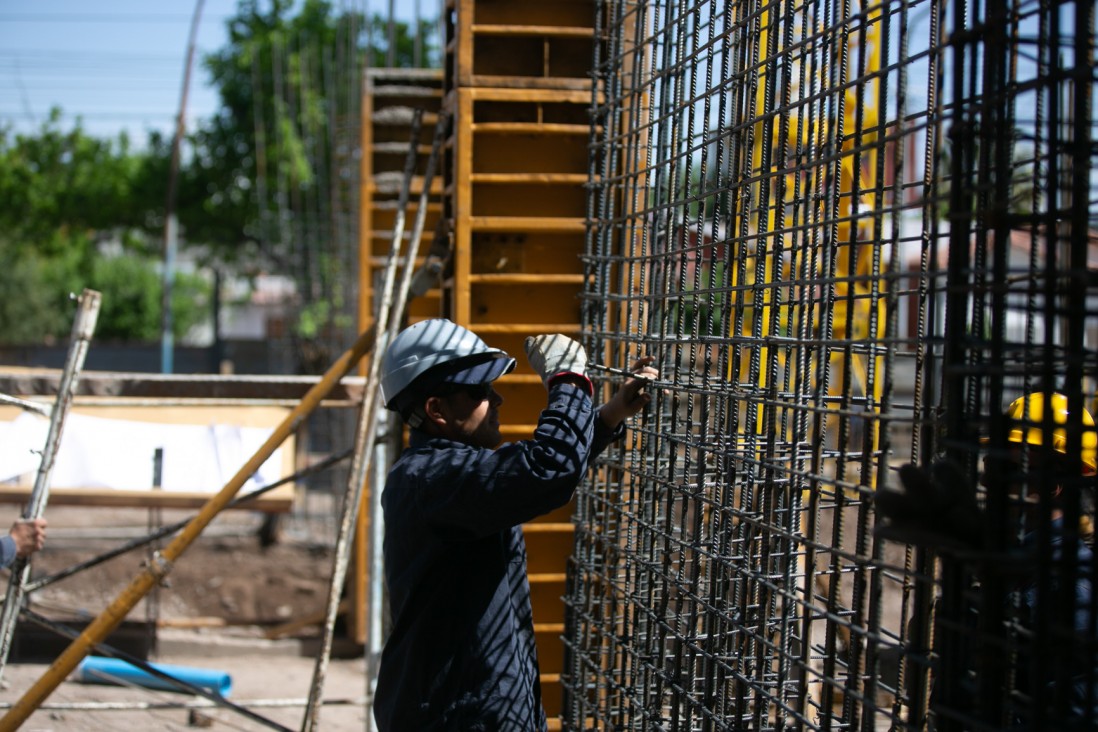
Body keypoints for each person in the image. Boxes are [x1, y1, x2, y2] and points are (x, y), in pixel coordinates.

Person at [372, 318, 657, 731]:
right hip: (456, 716)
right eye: (479, 391)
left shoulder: (441, 474)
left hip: (467, 704)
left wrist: (609, 415)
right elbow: (545, 470)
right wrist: (569, 382)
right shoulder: (434, 478)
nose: (498, 400)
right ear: (436, 410)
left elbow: (527, 479)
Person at [876, 392, 1097, 730]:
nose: (984, 480)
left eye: (1004, 468)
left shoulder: (1069, 591)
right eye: (987, 466)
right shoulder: (1022, 564)